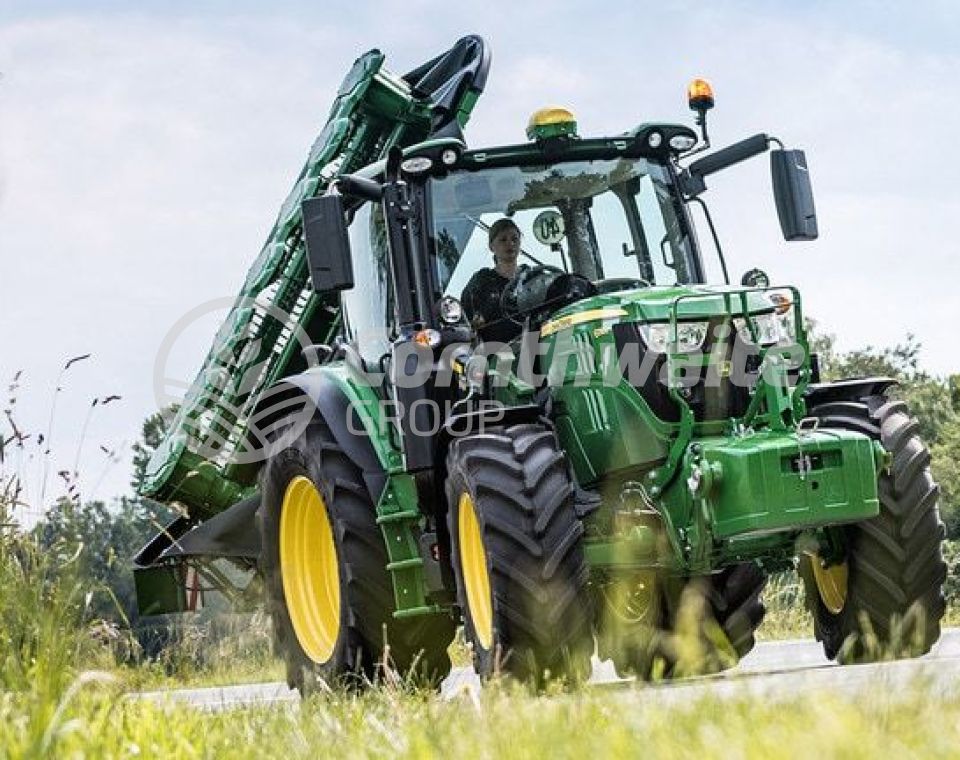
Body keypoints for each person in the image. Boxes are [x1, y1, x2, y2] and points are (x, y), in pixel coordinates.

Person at [461, 218, 523, 343]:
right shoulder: (482, 281)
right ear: (491, 247)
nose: (510, 244)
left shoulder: (530, 276)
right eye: (503, 240)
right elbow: (469, 321)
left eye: (514, 239)